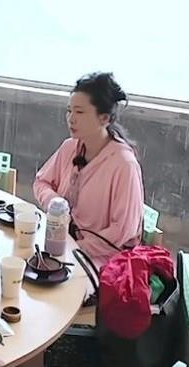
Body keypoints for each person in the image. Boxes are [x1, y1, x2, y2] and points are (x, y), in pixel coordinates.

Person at [34, 72, 145, 267]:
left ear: (104, 118)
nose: (71, 119)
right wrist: (55, 203)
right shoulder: (70, 147)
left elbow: (123, 229)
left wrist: (76, 248)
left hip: (102, 259)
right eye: (69, 111)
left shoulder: (124, 164)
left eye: (79, 112)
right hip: (62, 244)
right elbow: (41, 182)